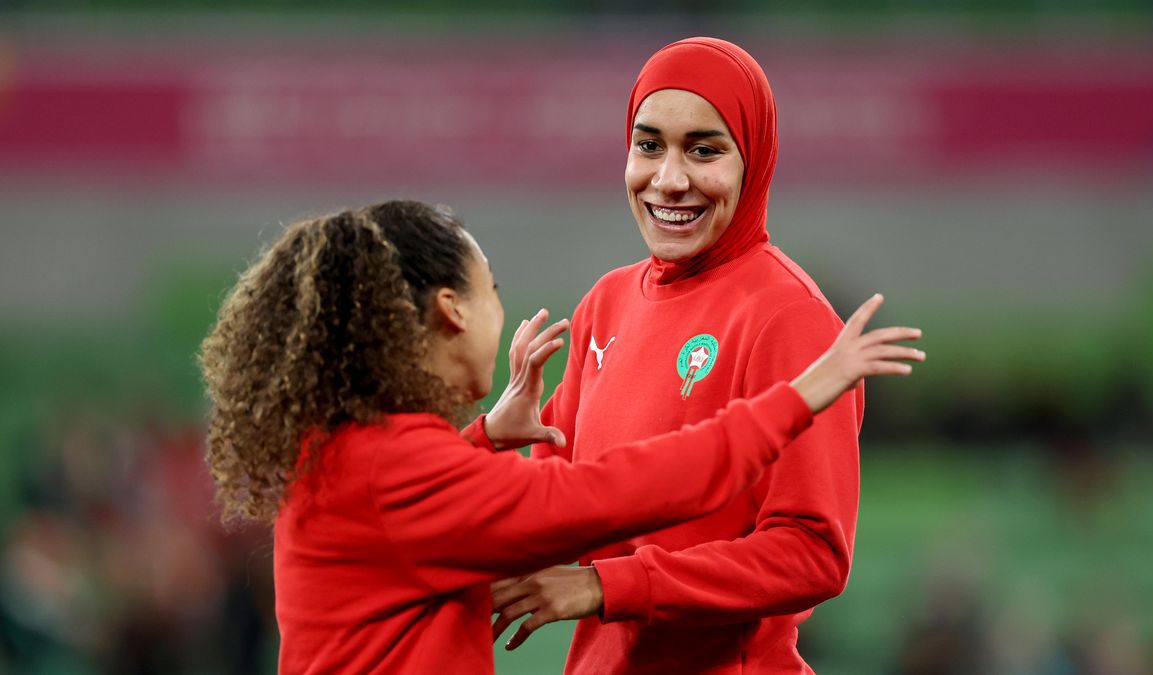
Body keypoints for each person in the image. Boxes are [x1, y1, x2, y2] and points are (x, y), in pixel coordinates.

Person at [198, 200, 922, 673]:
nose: (499, 312)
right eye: (494, 290)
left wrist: (484, 438)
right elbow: (617, 492)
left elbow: (416, 526)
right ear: (450, 309)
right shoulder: (395, 466)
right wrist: (796, 397)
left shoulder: (346, 451)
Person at [489, 37, 869, 673]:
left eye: (704, 150)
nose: (669, 179)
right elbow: (558, 518)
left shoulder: (790, 318)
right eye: (648, 145)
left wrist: (609, 586)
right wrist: (498, 443)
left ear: (755, 160)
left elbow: (812, 553)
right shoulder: (606, 304)